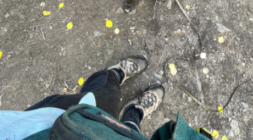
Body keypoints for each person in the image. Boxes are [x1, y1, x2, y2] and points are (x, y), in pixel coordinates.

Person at [0, 56, 212, 140]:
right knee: (118, 117)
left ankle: (114, 74)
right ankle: (133, 115)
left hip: (46, 125)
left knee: (101, 94)